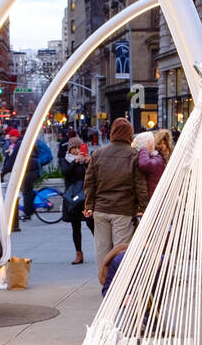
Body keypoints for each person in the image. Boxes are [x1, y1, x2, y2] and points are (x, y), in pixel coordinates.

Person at [83, 116, 148, 277]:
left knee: (102, 249)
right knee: (121, 249)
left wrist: (89, 205)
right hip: (123, 209)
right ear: (130, 134)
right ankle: (119, 282)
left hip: (101, 209)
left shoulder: (98, 154)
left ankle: (104, 279)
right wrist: (144, 208)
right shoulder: (134, 155)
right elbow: (140, 186)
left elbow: (89, 182)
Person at [62, 135, 92, 265]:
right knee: (75, 226)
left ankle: (103, 249)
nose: (75, 150)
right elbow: (65, 172)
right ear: (69, 149)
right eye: (73, 148)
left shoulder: (86, 160)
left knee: (91, 223)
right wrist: (75, 162)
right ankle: (78, 253)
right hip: (73, 197)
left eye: (78, 147)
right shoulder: (66, 160)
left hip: (85, 196)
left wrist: (88, 162)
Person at [134, 130, 166, 201]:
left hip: (154, 201)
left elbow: (145, 164)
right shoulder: (153, 158)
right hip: (152, 199)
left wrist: (144, 149)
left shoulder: (157, 160)